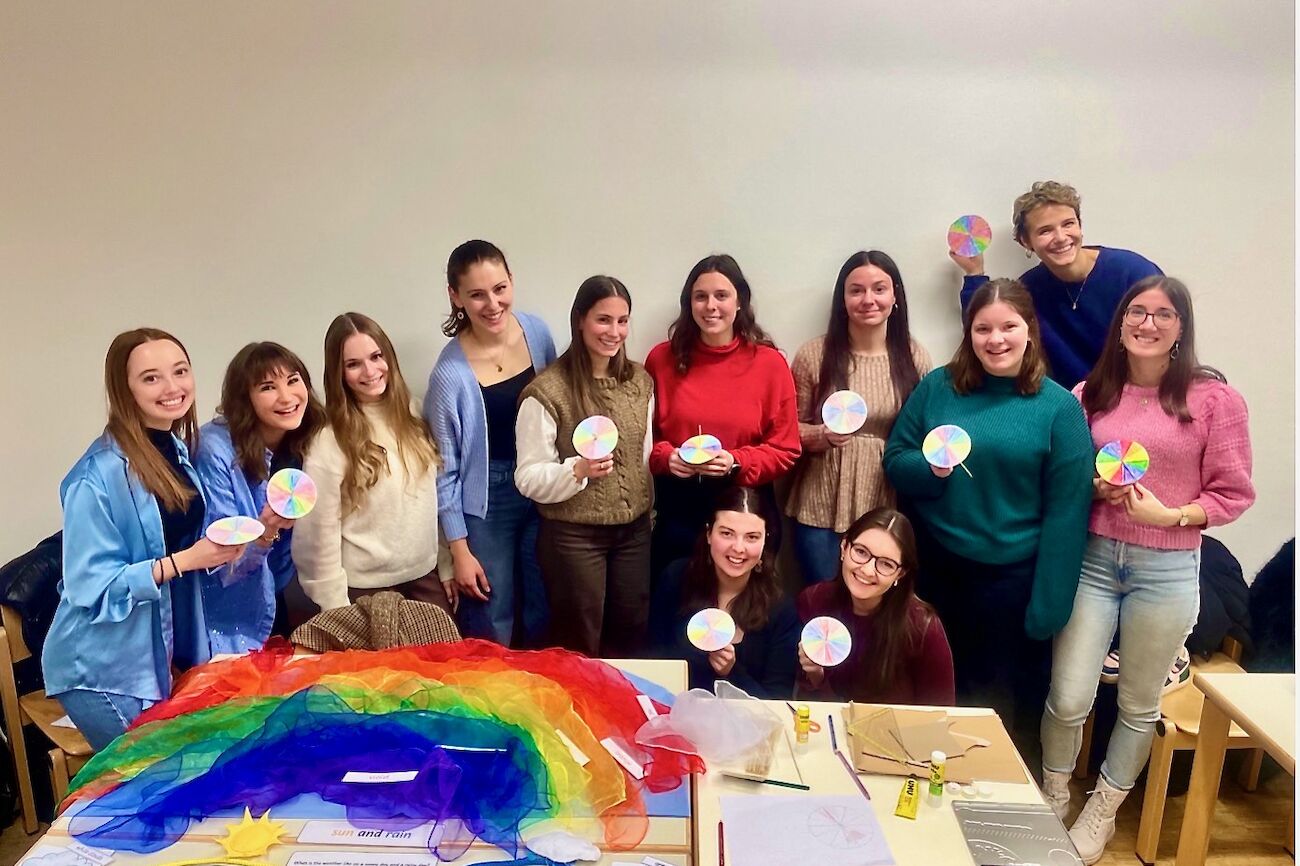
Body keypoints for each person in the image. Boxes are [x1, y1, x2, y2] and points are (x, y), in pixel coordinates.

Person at [1039, 276, 1255, 863]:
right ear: (1121, 322)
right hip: (1094, 562)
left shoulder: (1214, 400)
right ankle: (1054, 795)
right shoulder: (1091, 394)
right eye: (1137, 311)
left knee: (1137, 704)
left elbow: (1233, 494)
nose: (1148, 323)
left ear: (1181, 327)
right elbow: (1067, 478)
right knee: (1067, 695)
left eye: (1164, 314)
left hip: (1168, 568)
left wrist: (1174, 514)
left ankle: (1103, 810)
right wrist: (1092, 488)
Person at [882, 279, 1094, 759]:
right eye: (983, 329)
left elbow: (1068, 510)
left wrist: (1050, 603)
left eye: (1007, 327)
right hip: (935, 567)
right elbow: (896, 457)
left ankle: (987, 797)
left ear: (1029, 331)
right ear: (968, 333)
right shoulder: (938, 386)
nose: (995, 339)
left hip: (1011, 579)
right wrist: (930, 469)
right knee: (929, 689)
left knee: (992, 702)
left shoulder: (1059, 407)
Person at [43, 329, 243, 748]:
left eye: (180, 371)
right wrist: (185, 560)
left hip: (155, 655)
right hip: (103, 668)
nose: (173, 388)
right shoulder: (94, 476)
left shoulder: (173, 449)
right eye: (151, 378)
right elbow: (90, 588)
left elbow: (172, 542)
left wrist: (215, 551)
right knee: (151, 780)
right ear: (124, 389)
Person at [514, 276, 654, 656]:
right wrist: (576, 471)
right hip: (573, 537)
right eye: (603, 320)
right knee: (580, 637)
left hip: (634, 531)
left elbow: (643, 454)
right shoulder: (548, 391)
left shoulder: (639, 381)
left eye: (622, 321)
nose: (615, 331)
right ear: (579, 320)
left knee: (632, 629)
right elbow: (527, 477)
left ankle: (630, 712)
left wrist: (642, 507)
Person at [426, 240, 556, 646]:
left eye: (500, 289)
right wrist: (459, 551)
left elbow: (558, 407)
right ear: (456, 297)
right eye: (477, 294)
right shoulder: (450, 374)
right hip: (487, 499)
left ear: (512, 282)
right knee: (491, 612)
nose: (492, 304)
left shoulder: (537, 333)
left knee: (544, 602)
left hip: (541, 486)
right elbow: (444, 471)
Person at [644, 254, 799, 579]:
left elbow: (786, 450)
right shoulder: (661, 359)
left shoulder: (770, 364)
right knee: (677, 605)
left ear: (740, 301)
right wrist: (666, 458)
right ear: (689, 304)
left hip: (746, 507)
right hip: (679, 510)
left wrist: (736, 462)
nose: (710, 306)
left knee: (744, 613)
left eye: (721, 296)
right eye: (701, 297)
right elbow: (645, 440)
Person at [785, 251, 932, 584]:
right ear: (843, 299)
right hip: (819, 501)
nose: (868, 300)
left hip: (884, 499)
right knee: (822, 603)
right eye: (856, 290)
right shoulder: (814, 355)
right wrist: (820, 435)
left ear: (895, 295)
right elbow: (787, 428)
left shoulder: (914, 356)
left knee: (873, 606)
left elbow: (922, 433)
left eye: (879, 289)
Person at [293, 313, 449, 612]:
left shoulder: (415, 413)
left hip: (424, 576)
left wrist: (446, 564)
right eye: (353, 364)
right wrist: (336, 606)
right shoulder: (329, 440)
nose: (370, 370)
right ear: (339, 373)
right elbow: (316, 533)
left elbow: (431, 501)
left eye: (376, 356)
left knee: (450, 658)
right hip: (364, 590)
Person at [951, 180, 1162, 387]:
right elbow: (986, 330)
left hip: (1137, 400)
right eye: (1045, 231)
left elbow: (1167, 340)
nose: (1061, 237)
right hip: (1068, 409)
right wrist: (974, 273)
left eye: (1068, 224)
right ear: (1026, 241)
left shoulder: (1133, 272)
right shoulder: (1029, 289)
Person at [196, 342, 325, 652]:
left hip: (274, 590)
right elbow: (221, 565)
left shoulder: (309, 439)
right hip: (223, 616)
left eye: (293, 380)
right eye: (268, 387)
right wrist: (265, 530)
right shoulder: (215, 450)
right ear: (245, 399)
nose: (287, 397)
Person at [650, 486, 799, 699]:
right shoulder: (675, 578)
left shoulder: (781, 609)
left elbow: (777, 702)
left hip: (746, 725)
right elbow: (654, 665)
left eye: (751, 537)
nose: (738, 548)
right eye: (727, 534)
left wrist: (732, 672)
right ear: (709, 534)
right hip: (674, 711)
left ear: (765, 541)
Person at [795, 507, 954, 705]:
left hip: (897, 733)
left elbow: (941, 713)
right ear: (844, 547)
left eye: (886, 564)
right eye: (861, 552)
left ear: (900, 574)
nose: (868, 570)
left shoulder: (923, 628)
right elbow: (805, 702)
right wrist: (815, 675)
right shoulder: (814, 600)